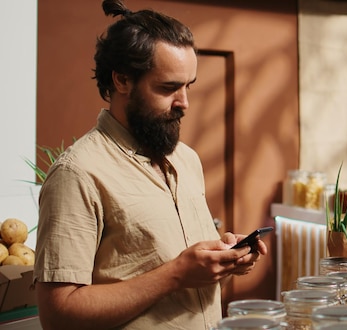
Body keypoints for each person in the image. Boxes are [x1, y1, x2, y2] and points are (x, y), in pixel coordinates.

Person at [34, 1, 267, 329]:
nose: (184, 102)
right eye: (168, 87)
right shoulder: (77, 174)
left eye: (189, 86)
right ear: (122, 81)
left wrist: (224, 263)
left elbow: (191, 289)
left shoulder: (187, 160)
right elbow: (58, 316)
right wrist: (176, 274)